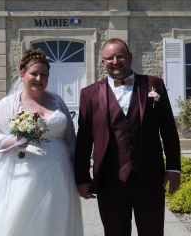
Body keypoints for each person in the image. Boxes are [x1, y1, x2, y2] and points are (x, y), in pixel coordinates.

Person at [0, 48, 83, 236]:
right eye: (34, 74)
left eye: (44, 75)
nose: (39, 79)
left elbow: (71, 139)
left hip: (59, 175)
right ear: (22, 73)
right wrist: (14, 140)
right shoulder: (9, 104)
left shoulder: (58, 102)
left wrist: (78, 174)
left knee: (55, 222)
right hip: (23, 175)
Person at [74, 38, 181, 236]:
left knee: (153, 232)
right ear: (102, 62)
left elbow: (169, 130)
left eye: (120, 56)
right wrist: (81, 178)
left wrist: (174, 168)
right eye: (109, 58)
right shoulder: (89, 94)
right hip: (109, 180)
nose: (115, 61)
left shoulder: (153, 85)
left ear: (130, 57)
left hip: (150, 178)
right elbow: (83, 140)